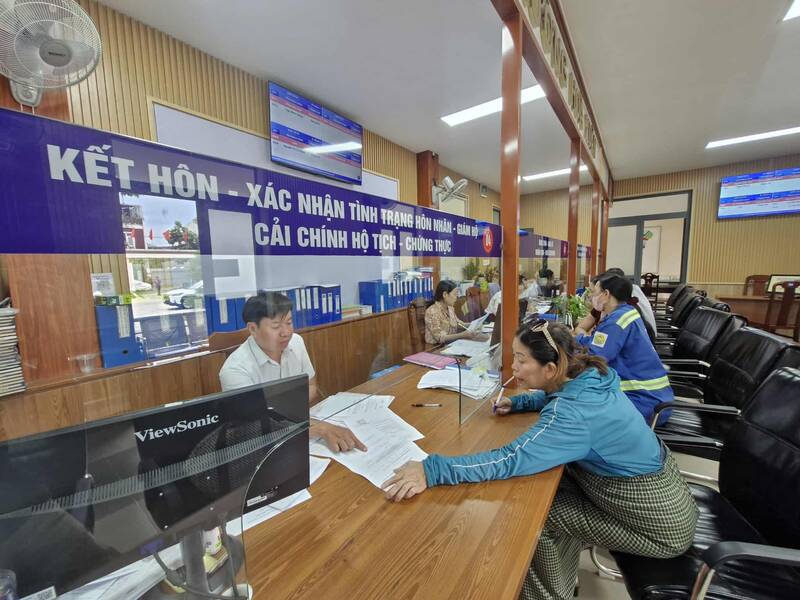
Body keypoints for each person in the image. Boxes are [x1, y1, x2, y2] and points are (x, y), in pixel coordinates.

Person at [382, 321, 697, 600]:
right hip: (669, 499)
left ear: (551, 368)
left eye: (522, 360)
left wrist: (432, 469)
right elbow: (560, 394)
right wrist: (522, 402)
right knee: (549, 489)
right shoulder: (594, 376)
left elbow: (511, 458)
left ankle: (546, 595)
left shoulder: (570, 414)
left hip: (657, 527)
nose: (514, 367)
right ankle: (562, 580)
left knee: (537, 514)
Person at [219, 291, 366, 453]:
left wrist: (292, 417)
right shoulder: (235, 370)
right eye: (276, 326)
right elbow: (253, 426)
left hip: (300, 430)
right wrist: (318, 427)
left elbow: (311, 385)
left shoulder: (296, 342)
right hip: (262, 447)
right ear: (253, 329)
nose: (286, 332)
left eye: (289, 322)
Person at [575, 274, 673, 425]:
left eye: (594, 293)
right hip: (654, 397)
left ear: (606, 294)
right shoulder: (625, 312)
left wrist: (568, 350)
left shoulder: (615, 322)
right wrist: (578, 340)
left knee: (579, 412)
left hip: (643, 402)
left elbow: (595, 358)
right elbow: (598, 344)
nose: (592, 297)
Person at [425, 280, 487, 345]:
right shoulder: (432, 311)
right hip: (436, 347)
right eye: (455, 294)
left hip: (451, 343)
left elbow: (458, 324)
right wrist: (462, 335)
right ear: (445, 294)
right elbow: (440, 337)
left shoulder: (450, 308)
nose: (456, 297)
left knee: (483, 339)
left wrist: (475, 325)